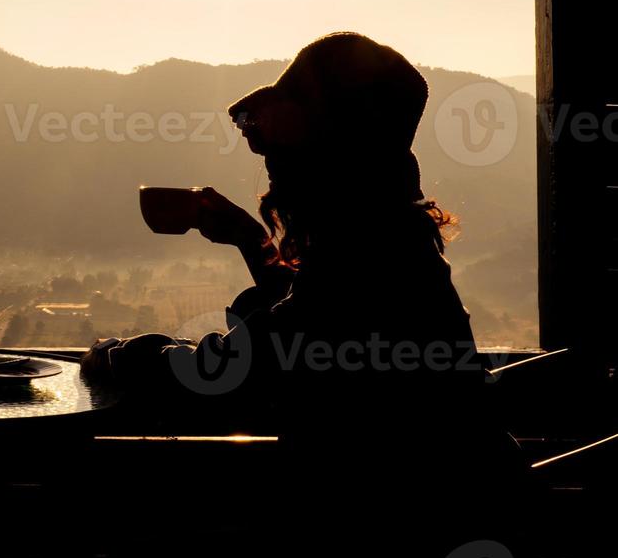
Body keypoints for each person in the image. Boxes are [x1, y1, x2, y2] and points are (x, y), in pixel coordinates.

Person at [83, 33, 509, 474]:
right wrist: (252, 241)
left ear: (330, 161)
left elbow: (216, 377)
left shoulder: (362, 266)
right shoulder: (396, 245)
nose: (269, 165)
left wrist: (117, 354)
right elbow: (300, 324)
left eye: (280, 148)